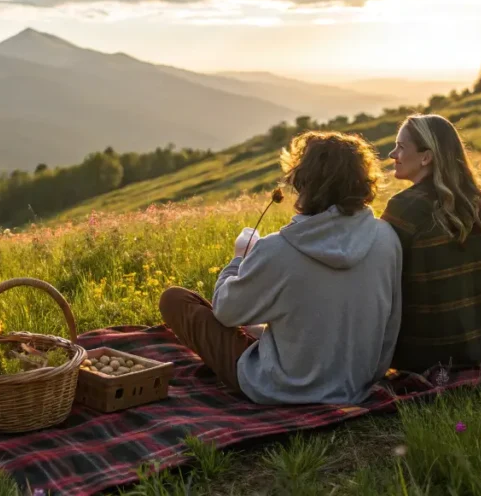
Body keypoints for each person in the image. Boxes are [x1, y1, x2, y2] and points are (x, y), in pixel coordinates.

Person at [158, 131, 402, 405]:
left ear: (303, 182)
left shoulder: (277, 248)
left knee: (174, 299)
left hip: (281, 388)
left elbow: (225, 312)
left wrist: (239, 259)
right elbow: (389, 321)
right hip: (356, 384)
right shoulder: (387, 237)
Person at [381, 114, 481, 374]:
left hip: (432, 356)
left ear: (426, 157)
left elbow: (381, 284)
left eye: (401, 147)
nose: (392, 154)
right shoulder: (479, 201)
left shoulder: (405, 208)